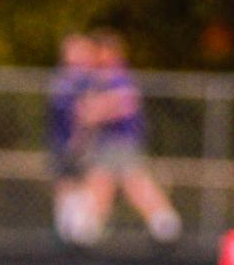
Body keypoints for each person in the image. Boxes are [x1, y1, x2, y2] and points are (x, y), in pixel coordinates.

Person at [76, 29, 182, 245]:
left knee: (133, 183)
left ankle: (164, 223)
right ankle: (89, 229)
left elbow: (122, 104)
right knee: (101, 182)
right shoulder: (100, 79)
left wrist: (96, 110)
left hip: (122, 141)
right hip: (107, 142)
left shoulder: (118, 76)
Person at [48, 32, 101, 246]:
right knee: (65, 183)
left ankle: (81, 229)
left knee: (84, 182)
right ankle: (67, 229)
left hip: (79, 143)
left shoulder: (85, 79)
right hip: (64, 141)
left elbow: (86, 113)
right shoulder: (66, 80)